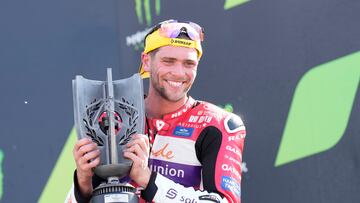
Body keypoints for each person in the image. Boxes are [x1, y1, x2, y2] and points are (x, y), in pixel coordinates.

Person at [68, 19, 246, 203]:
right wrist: (83, 182)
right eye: (168, 61)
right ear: (146, 61)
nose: (178, 72)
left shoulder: (215, 125)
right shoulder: (112, 118)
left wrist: (147, 179)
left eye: (189, 64)